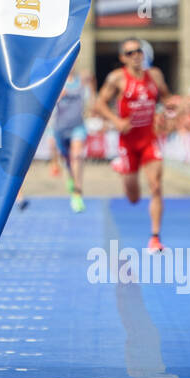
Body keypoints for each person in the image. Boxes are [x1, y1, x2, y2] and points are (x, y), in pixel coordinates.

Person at [93, 39, 171, 250]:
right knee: (134, 198)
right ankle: (121, 167)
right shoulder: (117, 78)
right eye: (130, 53)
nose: (136, 55)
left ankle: (155, 238)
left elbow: (166, 98)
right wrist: (116, 121)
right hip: (127, 142)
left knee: (156, 186)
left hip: (149, 140)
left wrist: (169, 111)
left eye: (138, 51)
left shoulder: (154, 75)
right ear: (123, 58)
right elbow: (99, 103)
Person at [49, 66, 90, 212]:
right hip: (60, 128)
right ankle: (71, 179)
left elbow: (89, 98)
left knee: (77, 156)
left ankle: (77, 193)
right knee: (68, 160)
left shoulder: (81, 82)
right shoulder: (57, 82)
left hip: (78, 126)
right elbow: (48, 104)